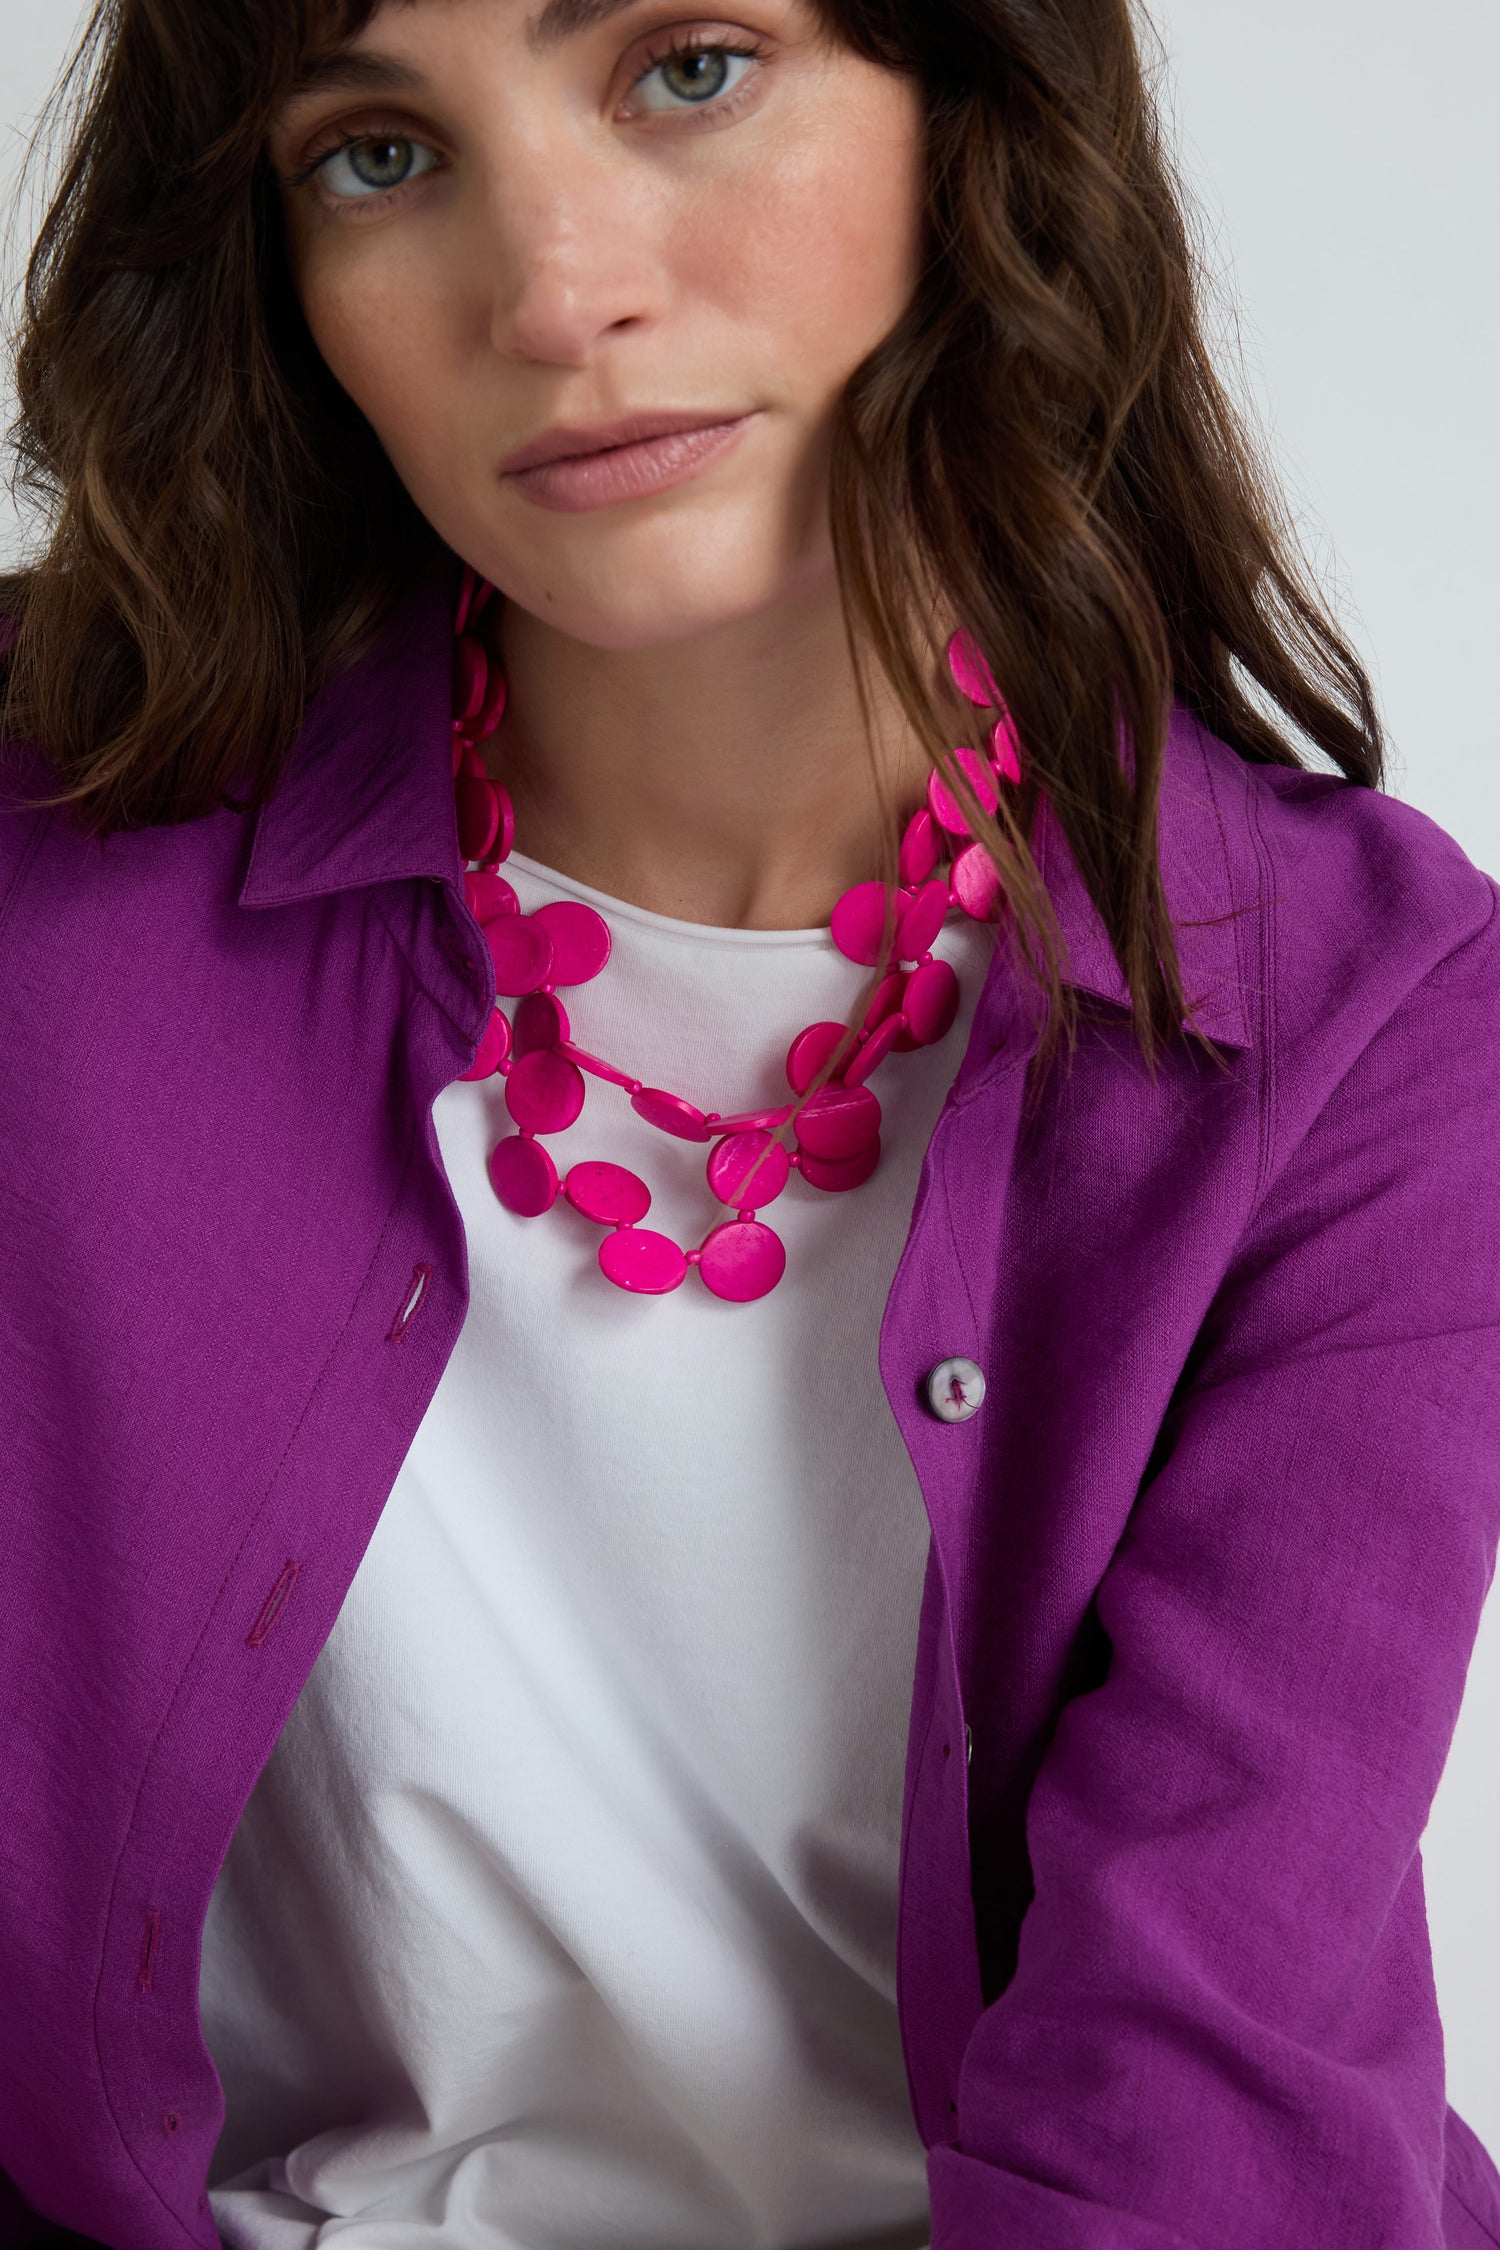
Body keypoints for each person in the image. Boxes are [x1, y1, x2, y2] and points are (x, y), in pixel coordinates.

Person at [3, 0, 1499, 2244]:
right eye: (379, 156)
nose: (554, 291)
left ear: (976, 123)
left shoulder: (1362, 1014)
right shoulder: (53, 870)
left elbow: (1202, 2085)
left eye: (689, 68)